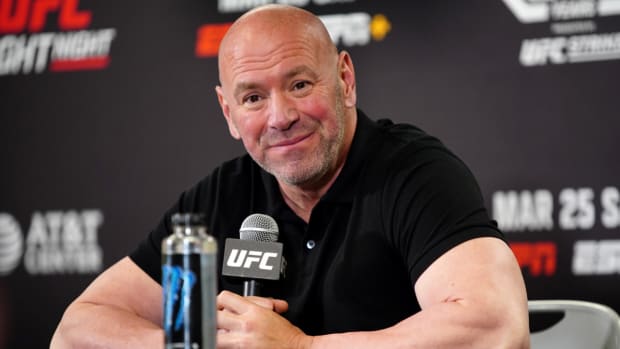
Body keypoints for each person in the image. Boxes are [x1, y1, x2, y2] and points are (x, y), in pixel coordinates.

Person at [50, 4, 530, 349]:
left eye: (299, 84)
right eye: (253, 98)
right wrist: (192, 343)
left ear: (344, 80)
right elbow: (77, 331)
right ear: (229, 112)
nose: (280, 117)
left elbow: (495, 328)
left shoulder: (412, 173)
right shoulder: (223, 195)